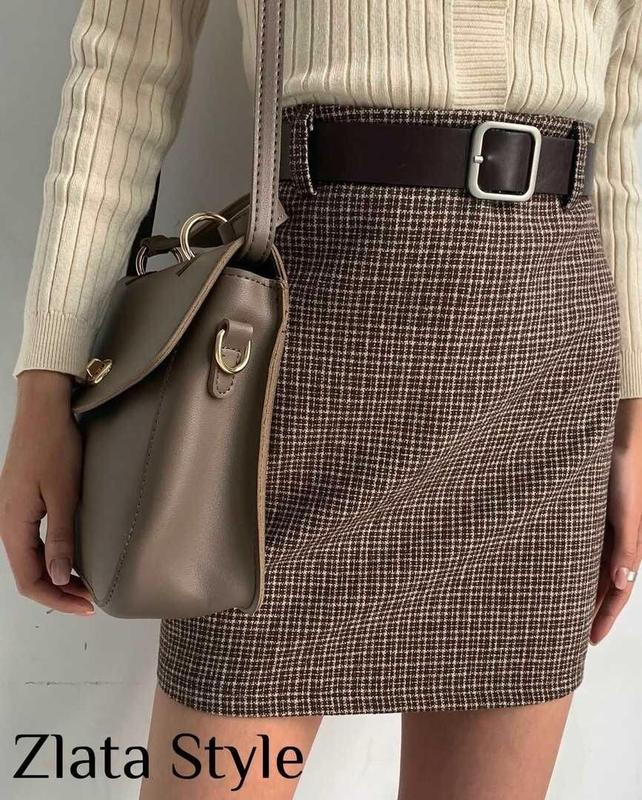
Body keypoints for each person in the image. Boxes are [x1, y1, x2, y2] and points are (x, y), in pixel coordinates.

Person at [1, 1, 641, 798]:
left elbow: (627, 126)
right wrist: (48, 381)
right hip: (286, 361)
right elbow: (122, 70)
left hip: (548, 367)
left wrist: (633, 416)